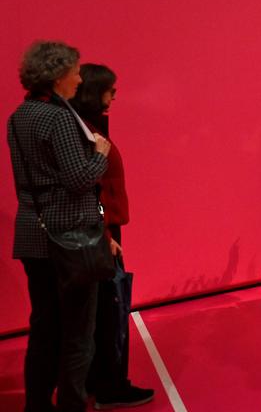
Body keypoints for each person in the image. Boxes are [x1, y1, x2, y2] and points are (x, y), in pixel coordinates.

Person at [7, 41, 111, 412]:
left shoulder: (19, 116)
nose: (80, 77)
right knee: (79, 334)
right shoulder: (59, 119)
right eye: (76, 71)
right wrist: (100, 154)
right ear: (58, 76)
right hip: (70, 238)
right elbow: (80, 179)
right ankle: (72, 404)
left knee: (44, 328)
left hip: (33, 235)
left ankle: (37, 404)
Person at [70, 64, 155, 408]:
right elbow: (91, 189)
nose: (115, 95)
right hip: (101, 229)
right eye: (110, 89)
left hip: (103, 227)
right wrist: (104, 234)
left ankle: (99, 379)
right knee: (110, 307)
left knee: (104, 307)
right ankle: (110, 384)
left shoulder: (89, 127)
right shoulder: (86, 133)